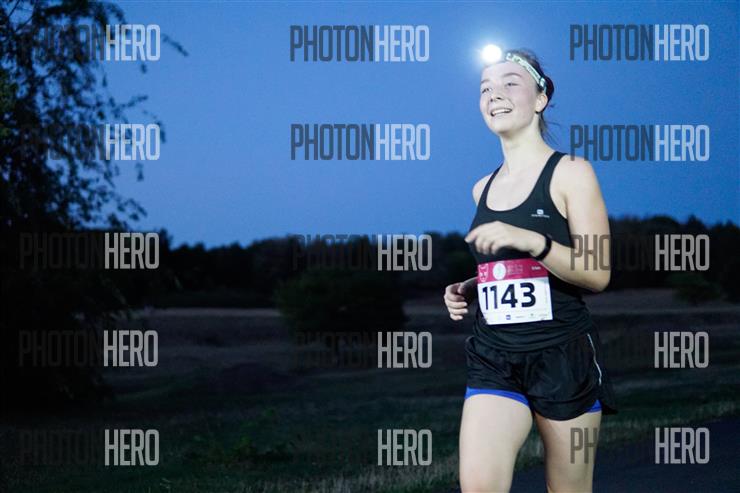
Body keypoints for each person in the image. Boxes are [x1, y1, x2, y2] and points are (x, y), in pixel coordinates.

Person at [444, 49, 618, 493]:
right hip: (494, 357)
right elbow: (510, 269)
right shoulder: (481, 188)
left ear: (540, 99)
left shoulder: (572, 172)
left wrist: (534, 241)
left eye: (510, 83)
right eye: (485, 88)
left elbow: (597, 273)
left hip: (563, 356)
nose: (494, 94)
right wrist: (471, 285)